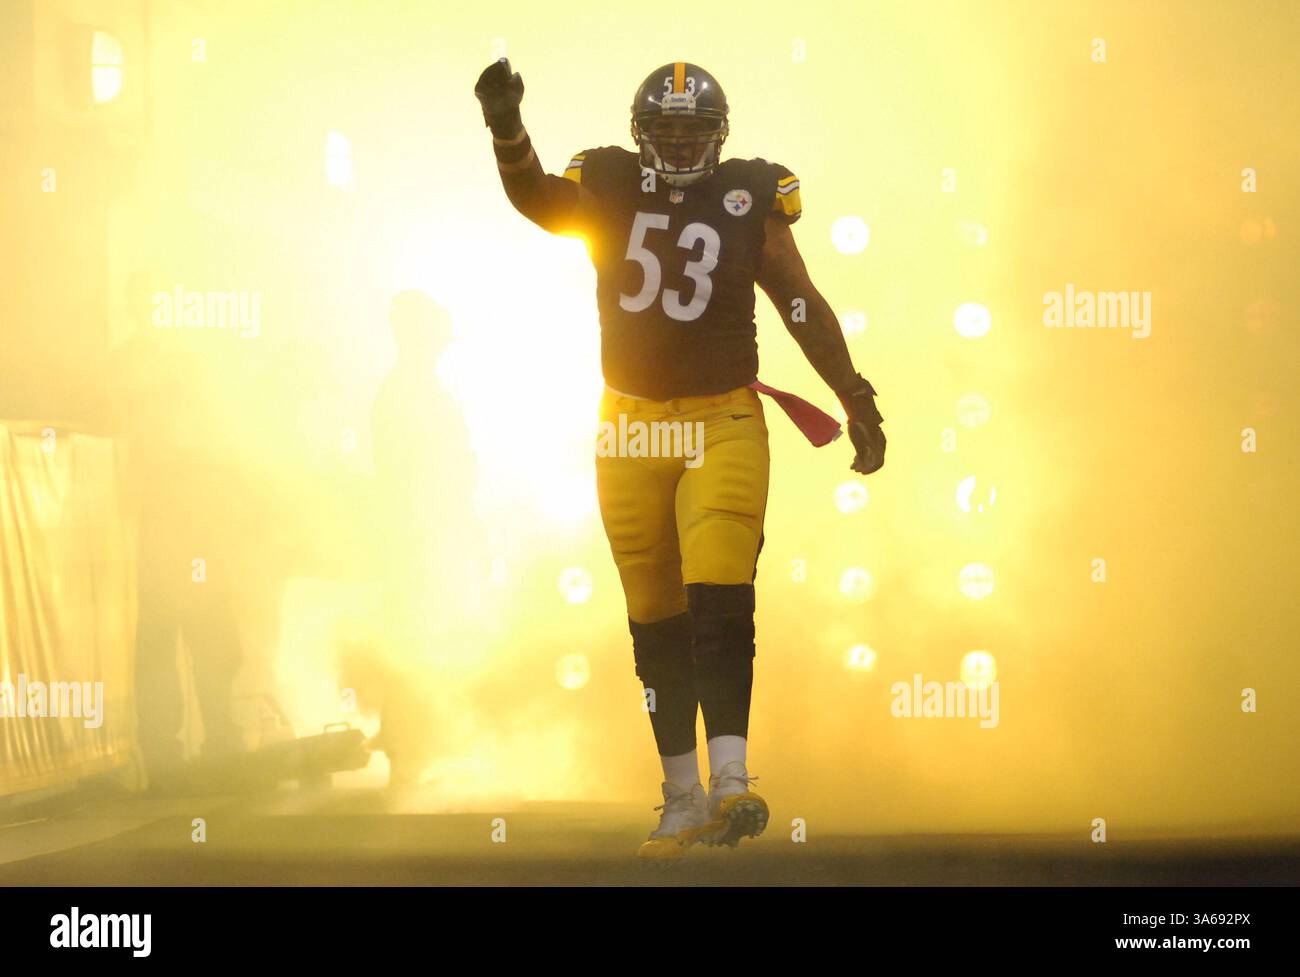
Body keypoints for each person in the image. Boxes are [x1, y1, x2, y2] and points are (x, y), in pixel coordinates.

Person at [474, 59, 886, 858]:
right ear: (642, 134)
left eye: (691, 129)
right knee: (653, 618)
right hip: (629, 426)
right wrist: (506, 129)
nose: (678, 141)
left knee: (721, 594)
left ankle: (731, 780)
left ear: (718, 135)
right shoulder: (609, 180)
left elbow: (797, 300)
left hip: (722, 417)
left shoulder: (751, 194)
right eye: (664, 129)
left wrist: (853, 391)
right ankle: (681, 797)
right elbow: (538, 201)